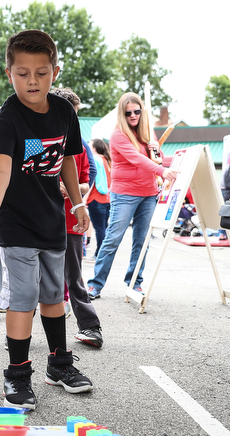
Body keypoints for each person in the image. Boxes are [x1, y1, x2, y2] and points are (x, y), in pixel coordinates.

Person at [0, 30, 93, 410]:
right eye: (23, 73)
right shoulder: (8, 118)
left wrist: (78, 205)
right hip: (16, 224)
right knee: (23, 298)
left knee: (53, 297)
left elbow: (69, 162)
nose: (32, 81)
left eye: (41, 73)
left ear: (54, 73)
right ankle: (17, 373)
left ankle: (58, 365)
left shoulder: (63, 113)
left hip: (52, 222)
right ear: (9, 73)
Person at [85, 93, 178, 300]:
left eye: (137, 111)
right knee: (113, 239)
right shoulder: (118, 134)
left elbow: (155, 159)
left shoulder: (148, 131)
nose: (133, 115)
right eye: (128, 113)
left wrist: (157, 151)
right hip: (125, 193)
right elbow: (136, 159)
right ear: (122, 114)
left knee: (142, 241)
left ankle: (135, 282)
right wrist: (162, 171)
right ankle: (95, 284)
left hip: (148, 193)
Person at [50, 86, 103, 348]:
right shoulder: (38, 138)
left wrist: (75, 190)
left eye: (76, 114)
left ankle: (91, 327)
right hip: (41, 219)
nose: (74, 119)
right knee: (34, 278)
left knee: (75, 277)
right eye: (70, 114)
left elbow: (87, 179)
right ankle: (17, 333)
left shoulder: (80, 145)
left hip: (71, 219)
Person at [85, 139, 111, 260]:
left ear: (95, 148)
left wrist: (84, 198)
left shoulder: (95, 159)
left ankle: (99, 254)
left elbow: (92, 179)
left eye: (90, 145)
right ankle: (104, 254)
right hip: (107, 198)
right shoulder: (107, 160)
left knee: (99, 229)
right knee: (104, 228)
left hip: (96, 198)